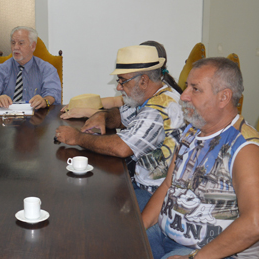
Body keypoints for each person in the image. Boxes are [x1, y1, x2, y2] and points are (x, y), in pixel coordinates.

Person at [141, 57, 259, 259]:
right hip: (170, 235)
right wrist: (137, 231)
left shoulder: (245, 149)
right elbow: (168, 185)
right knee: (121, 248)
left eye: (195, 89)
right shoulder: (192, 130)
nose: (184, 95)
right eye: (187, 86)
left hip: (221, 255)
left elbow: (255, 222)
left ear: (224, 96)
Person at [55, 45, 185, 211]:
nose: (118, 87)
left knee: (97, 208)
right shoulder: (151, 95)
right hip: (141, 179)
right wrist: (103, 116)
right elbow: (121, 116)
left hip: (156, 193)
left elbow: (122, 147)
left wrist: (77, 138)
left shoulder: (159, 108)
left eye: (122, 81)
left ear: (143, 81)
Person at [60, 40, 182, 119]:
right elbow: (115, 102)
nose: (119, 87)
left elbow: (121, 118)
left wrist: (86, 112)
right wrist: (81, 104)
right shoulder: (146, 90)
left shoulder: (160, 100)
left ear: (144, 79)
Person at [0, 26, 61, 110]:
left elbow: (53, 94)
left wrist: (44, 101)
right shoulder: (1, 69)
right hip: (7, 119)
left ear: (33, 46)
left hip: (38, 119)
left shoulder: (47, 69)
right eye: (13, 43)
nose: (15, 47)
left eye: (21, 43)